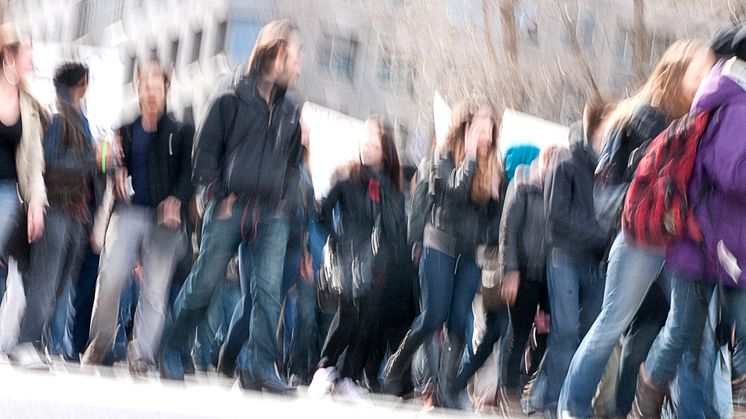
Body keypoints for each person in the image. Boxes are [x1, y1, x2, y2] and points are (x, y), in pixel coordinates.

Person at [558, 40, 716, 418]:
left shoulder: (691, 119)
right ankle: (571, 406)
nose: (707, 77)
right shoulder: (647, 117)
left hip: (675, 241)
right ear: (677, 71)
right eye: (701, 69)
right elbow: (620, 190)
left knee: (692, 334)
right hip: (641, 240)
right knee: (611, 324)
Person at [163, 19, 303, 393]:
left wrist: (285, 201)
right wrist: (215, 194)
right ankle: (172, 349)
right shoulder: (232, 92)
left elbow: (293, 163)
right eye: (296, 54)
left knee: (268, 291)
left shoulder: (291, 110)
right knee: (205, 282)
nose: (300, 64)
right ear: (277, 52)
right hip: (229, 206)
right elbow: (204, 149)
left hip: (270, 212)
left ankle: (258, 366)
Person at [630, 47, 746, 418]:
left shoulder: (726, 101)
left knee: (694, 339)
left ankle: (678, 408)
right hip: (699, 243)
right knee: (684, 333)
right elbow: (732, 174)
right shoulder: (737, 107)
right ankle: (646, 398)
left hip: (717, 246)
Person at [384, 103, 503, 409]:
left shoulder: (492, 165)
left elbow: (494, 220)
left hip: (470, 254)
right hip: (439, 243)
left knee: (459, 321)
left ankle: (447, 389)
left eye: (490, 128)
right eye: (481, 127)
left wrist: (494, 197)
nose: (487, 134)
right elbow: (451, 193)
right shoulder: (444, 159)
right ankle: (398, 363)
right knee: (433, 316)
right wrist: (473, 158)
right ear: (466, 127)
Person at [81, 55, 194, 374]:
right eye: (145, 85)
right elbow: (105, 163)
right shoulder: (126, 130)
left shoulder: (181, 131)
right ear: (139, 88)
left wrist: (177, 199)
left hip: (163, 219)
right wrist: (110, 164)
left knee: (155, 292)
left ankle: (141, 353)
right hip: (128, 212)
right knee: (111, 276)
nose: (151, 91)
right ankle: (101, 339)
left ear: (166, 88)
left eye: (157, 85)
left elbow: (190, 174)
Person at [307, 115, 407, 402]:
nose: (366, 145)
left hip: (378, 264)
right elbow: (323, 211)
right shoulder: (348, 177)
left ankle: (347, 377)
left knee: (367, 322)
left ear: (385, 147)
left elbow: (396, 225)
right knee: (347, 315)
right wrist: (334, 240)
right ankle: (324, 368)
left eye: (373, 139)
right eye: (365, 139)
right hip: (348, 257)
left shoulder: (391, 186)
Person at [15, 62, 107, 367]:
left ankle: (35, 343)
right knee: (46, 281)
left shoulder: (78, 118)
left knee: (57, 284)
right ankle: (26, 343)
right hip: (56, 210)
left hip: (74, 215)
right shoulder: (59, 116)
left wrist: (101, 161)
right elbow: (52, 163)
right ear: (84, 82)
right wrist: (93, 158)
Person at [540, 99, 612, 418]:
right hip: (565, 258)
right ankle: (556, 404)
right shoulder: (566, 163)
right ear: (596, 124)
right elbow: (556, 217)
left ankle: (572, 404)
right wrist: (601, 235)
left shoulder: (610, 170)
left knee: (589, 338)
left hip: (596, 263)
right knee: (566, 331)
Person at [0, 23, 45, 279]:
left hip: (6, 195)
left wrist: (36, 202)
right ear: (9, 55)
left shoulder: (29, 106)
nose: (32, 59)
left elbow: (34, 163)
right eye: (28, 51)